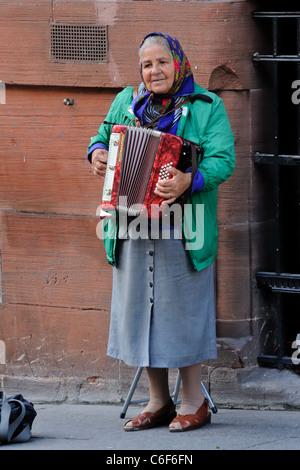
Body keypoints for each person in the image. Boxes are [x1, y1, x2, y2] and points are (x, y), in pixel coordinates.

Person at [87, 32, 235, 432]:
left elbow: (224, 159)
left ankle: (193, 401)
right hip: (131, 220)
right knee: (142, 311)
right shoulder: (126, 102)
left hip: (183, 227)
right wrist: (98, 153)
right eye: (147, 65)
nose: (155, 71)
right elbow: (102, 135)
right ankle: (159, 401)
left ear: (179, 63)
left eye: (162, 62)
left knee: (184, 310)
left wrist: (190, 180)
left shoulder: (207, 105)